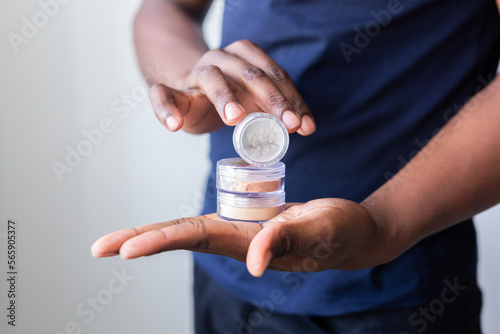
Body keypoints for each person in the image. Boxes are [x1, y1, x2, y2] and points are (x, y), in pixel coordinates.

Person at [91, 0, 500, 333]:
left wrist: (382, 226)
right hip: (226, 266)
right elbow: (167, 7)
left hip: (402, 295)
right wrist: (190, 79)